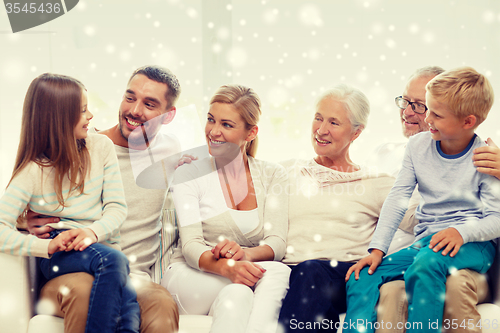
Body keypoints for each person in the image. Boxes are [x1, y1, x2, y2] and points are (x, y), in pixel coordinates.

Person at [344, 67, 500, 333]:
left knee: (425, 266)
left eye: (436, 114)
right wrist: (377, 250)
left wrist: (460, 232)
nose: (427, 118)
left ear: (468, 121)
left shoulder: (484, 157)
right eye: (427, 109)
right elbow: (398, 198)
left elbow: (496, 219)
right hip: (427, 243)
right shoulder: (417, 147)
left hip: (473, 244)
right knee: (362, 277)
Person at [27, 66, 180, 333]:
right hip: (71, 274)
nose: (134, 110)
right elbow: (27, 183)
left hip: (132, 277)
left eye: (150, 104)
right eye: (130, 97)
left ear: (168, 116)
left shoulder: (171, 152)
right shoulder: (85, 145)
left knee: (162, 303)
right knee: (85, 292)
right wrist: (26, 217)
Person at [2, 73, 139, 332]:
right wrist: (45, 245)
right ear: (58, 120)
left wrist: (91, 232)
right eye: (83, 110)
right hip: (60, 248)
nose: (91, 116)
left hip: (97, 244)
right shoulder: (32, 171)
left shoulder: (100, 146)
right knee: (114, 262)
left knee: (126, 289)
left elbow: (117, 208)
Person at [276, 84, 417, 333]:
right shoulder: (285, 171)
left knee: (310, 271)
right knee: (304, 274)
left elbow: (418, 220)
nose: (321, 130)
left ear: (356, 133)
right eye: (318, 118)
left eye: (333, 122)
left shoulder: (375, 182)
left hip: (342, 274)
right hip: (289, 273)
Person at [162, 84, 291, 333]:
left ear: (250, 132)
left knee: (247, 289)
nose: (214, 131)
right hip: (189, 276)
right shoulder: (189, 172)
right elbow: (191, 246)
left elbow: (277, 242)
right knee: (260, 278)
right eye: (211, 120)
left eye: (227, 125)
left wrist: (244, 255)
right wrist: (227, 267)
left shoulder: (273, 174)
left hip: (238, 276)